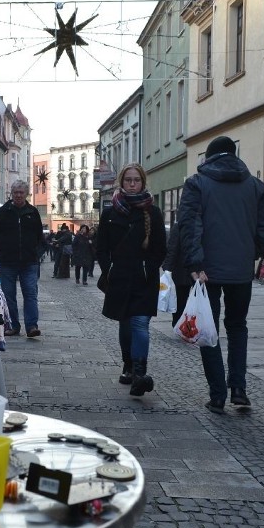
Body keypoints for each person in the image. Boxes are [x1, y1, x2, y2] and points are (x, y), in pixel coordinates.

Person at [177, 136, 264, 414]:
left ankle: (218, 395)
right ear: (234, 154)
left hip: (207, 271)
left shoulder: (197, 183)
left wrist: (195, 263)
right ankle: (240, 390)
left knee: (209, 330)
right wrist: (250, 253)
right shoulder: (255, 185)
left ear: (208, 158)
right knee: (237, 326)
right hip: (241, 271)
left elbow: (189, 224)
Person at [96, 163, 167, 396]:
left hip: (144, 278)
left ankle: (139, 372)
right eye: (128, 180)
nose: (133, 184)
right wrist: (109, 270)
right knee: (125, 323)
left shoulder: (153, 213)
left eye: (137, 180)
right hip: (120, 277)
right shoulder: (110, 212)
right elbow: (101, 247)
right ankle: (128, 364)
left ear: (143, 182)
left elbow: (160, 248)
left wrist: (150, 266)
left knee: (140, 323)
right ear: (121, 182)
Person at [0, 180, 44, 337]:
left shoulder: (33, 212)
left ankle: (32, 326)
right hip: (8, 262)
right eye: (16, 192)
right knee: (8, 295)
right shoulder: (3, 211)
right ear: (11, 194)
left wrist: (36, 252)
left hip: (29, 262)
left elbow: (40, 236)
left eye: (21, 192)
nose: (18, 195)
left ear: (26, 194)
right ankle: (13, 325)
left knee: (31, 294)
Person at [162, 220, 193, 328]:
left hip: (186, 269)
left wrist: (167, 267)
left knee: (182, 298)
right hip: (183, 269)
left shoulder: (179, 225)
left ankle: (180, 323)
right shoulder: (180, 225)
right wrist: (168, 267)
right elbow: (172, 248)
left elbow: (172, 248)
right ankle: (179, 323)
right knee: (181, 298)